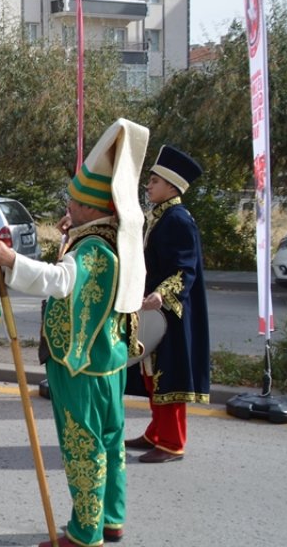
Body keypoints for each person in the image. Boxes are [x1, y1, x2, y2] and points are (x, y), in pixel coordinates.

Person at [0, 119, 149, 547]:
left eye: (74, 203)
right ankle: (111, 518)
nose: (69, 207)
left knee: (82, 447)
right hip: (108, 361)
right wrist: (72, 231)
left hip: (80, 363)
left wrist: (10, 260)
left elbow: (60, 281)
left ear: (93, 209)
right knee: (110, 443)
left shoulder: (92, 247)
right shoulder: (115, 236)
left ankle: (84, 532)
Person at [126, 145, 210, 463]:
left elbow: (184, 268)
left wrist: (162, 293)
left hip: (170, 311)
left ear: (172, 187)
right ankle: (156, 432)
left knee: (167, 377)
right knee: (151, 373)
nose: (148, 186)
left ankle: (172, 442)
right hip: (152, 307)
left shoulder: (178, 219)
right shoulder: (161, 216)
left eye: (155, 181)